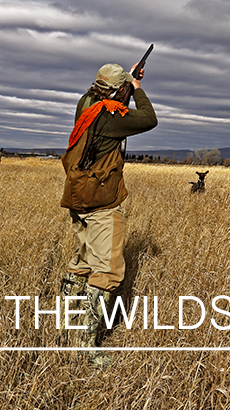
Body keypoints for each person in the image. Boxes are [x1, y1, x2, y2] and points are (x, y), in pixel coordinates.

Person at [59, 60, 157, 365]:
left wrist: (126, 81)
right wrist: (138, 90)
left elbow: (111, 103)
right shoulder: (110, 117)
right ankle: (86, 344)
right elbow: (149, 119)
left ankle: (64, 320)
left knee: (82, 259)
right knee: (108, 271)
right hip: (100, 200)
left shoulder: (86, 102)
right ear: (117, 90)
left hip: (78, 194)